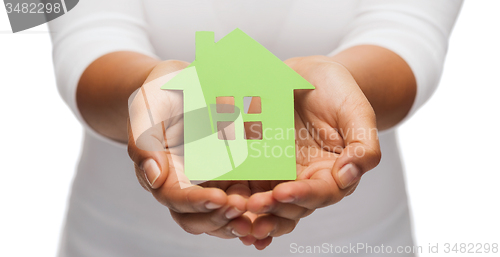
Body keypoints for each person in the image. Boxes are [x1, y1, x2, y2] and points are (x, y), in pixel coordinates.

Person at [48, 0, 462, 256]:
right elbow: (79, 34)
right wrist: (153, 91)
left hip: (357, 241)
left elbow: (412, 30)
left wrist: (344, 89)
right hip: (117, 242)